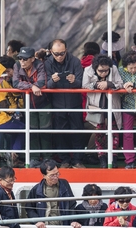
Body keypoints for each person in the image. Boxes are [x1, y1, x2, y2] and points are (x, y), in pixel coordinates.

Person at [26, 159, 81, 228]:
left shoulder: (64, 184)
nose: (56, 177)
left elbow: (71, 205)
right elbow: (29, 209)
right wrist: (37, 221)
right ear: (44, 175)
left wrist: (73, 220)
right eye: (52, 175)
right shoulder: (36, 190)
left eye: (57, 174)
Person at [45, 39, 86, 169]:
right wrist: (52, 81)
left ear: (66, 51)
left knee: (77, 132)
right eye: (56, 54)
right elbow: (46, 85)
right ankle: (64, 160)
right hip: (57, 104)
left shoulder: (75, 61)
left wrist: (74, 81)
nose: (59, 56)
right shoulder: (47, 63)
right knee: (60, 134)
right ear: (51, 52)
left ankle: (78, 160)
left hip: (74, 103)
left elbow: (81, 83)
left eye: (61, 53)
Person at [13, 47, 51, 168]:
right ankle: (34, 158)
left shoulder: (40, 65)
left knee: (46, 130)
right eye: (20, 58)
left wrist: (31, 86)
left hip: (43, 102)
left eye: (25, 59)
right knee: (32, 130)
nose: (22, 61)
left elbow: (41, 82)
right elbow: (15, 83)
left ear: (32, 59)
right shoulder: (17, 66)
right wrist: (31, 86)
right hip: (28, 103)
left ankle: (47, 158)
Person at [83, 54, 124, 168]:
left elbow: (120, 84)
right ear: (95, 68)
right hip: (97, 105)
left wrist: (109, 84)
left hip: (112, 105)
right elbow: (84, 85)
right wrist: (96, 85)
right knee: (99, 133)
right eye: (101, 71)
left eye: (106, 71)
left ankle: (113, 157)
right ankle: (102, 158)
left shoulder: (114, 69)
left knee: (114, 132)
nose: (104, 73)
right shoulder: (87, 70)